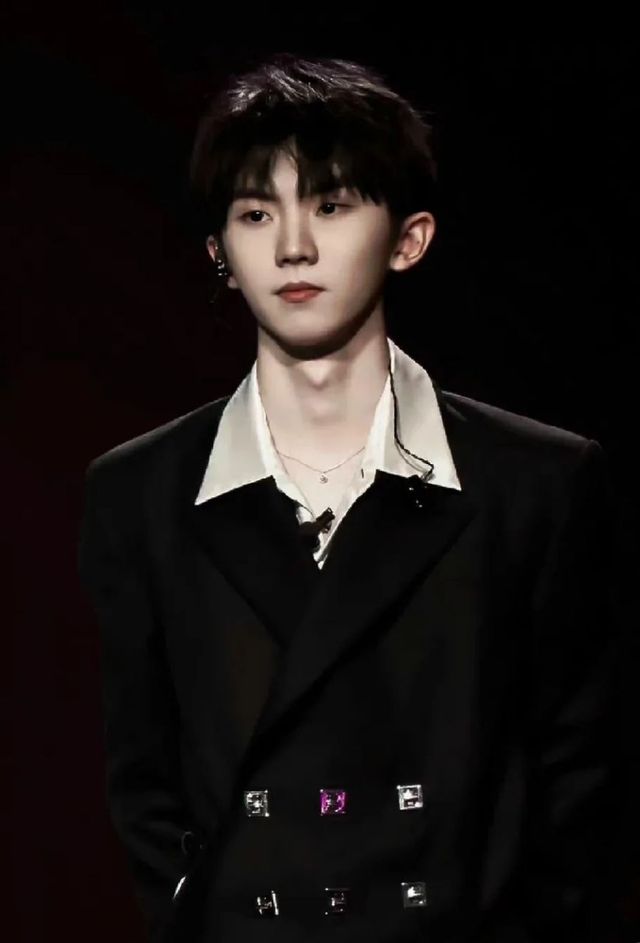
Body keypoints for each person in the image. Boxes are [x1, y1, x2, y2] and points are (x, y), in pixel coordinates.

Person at [78, 52, 618, 942]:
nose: (293, 246)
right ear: (220, 254)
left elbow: (580, 777)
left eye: (330, 206)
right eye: (257, 213)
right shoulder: (139, 493)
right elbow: (144, 777)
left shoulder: (540, 483)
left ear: (409, 238)